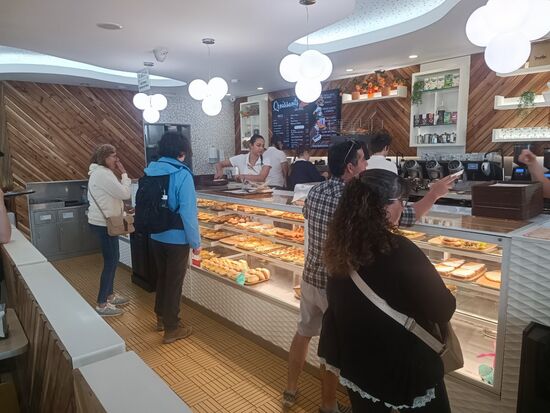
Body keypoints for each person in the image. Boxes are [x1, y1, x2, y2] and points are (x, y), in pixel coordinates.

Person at [284, 139, 456, 412]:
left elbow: (306, 214)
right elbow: (405, 219)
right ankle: (327, 404)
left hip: (316, 278)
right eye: (363, 160)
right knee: (334, 342)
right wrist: (433, 194)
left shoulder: (317, 194)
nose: (366, 164)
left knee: (308, 335)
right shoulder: (386, 236)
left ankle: (292, 389)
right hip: (342, 289)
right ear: (350, 167)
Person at [320, 169, 456, 412]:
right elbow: (443, 309)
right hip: (403, 368)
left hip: (358, 364)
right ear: (381, 207)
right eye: (401, 201)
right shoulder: (400, 249)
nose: (403, 207)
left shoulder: (339, 245)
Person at [144, 131, 201, 344]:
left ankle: (160, 317)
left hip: (155, 235)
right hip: (177, 239)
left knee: (163, 277)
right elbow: (188, 212)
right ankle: (172, 328)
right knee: (174, 283)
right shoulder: (182, 174)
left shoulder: (151, 170)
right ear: (182, 151)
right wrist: (196, 243)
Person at [88, 144, 132, 317]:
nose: (116, 159)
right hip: (104, 224)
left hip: (104, 222)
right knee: (111, 261)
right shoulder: (102, 174)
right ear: (105, 158)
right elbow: (125, 194)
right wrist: (124, 174)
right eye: (113, 156)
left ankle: (110, 295)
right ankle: (102, 303)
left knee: (113, 259)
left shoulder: (100, 172)